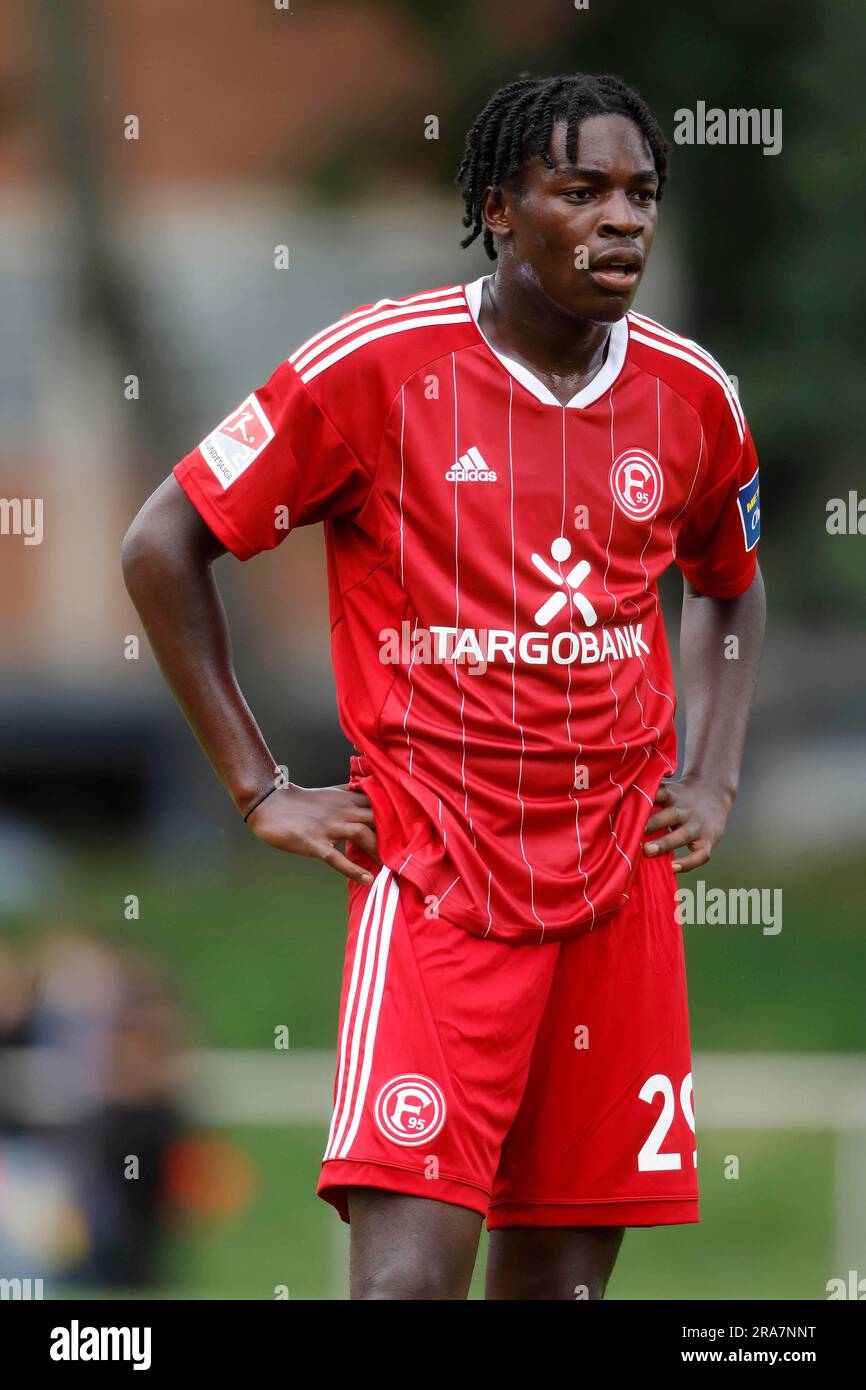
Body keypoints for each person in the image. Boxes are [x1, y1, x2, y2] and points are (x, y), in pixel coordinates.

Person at [122, 72, 765, 1300]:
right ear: (500, 206)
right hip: (439, 887)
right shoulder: (373, 366)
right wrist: (259, 788)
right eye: (580, 190)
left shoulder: (691, 395)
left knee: (560, 1293)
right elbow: (163, 542)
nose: (620, 219)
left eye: (640, 194)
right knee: (402, 1289)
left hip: (616, 890)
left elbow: (730, 585)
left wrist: (714, 772)